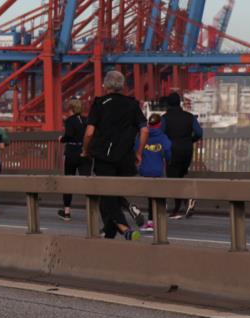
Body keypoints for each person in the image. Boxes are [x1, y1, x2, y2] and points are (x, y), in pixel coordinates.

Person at [82, 70, 148, 241]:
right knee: (112, 191)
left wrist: (85, 150)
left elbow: (89, 133)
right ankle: (110, 231)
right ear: (122, 86)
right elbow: (145, 129)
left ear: (106, 85)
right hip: (125, 158)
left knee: (106, 192)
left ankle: (123, 227)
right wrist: (139, 152)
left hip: (103, 157)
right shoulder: (133, 105)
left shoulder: (99, 104)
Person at [162, 91, 203, 219]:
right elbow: (199, 132)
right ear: (179, 103)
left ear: (168, 104)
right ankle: (185, 204)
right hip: (187, 150)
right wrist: (191, 140)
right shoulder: (190, 117)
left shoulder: (165, 118)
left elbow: (161, 135)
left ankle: (179, 206)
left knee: (173, 180)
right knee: (180, 176)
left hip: (172, 151)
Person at [57, 99, 92, 221]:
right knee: (87, 181)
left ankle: (67, 211)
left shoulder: (69, 121)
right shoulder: (87, 120)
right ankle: (92, 210)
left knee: (68, 181)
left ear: (70, 108)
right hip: (85, 153)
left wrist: (62, 139)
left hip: (72, 153)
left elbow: (70, 135)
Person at [137, 113, 172, 231]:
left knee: (150, 197)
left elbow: (136, 149)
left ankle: (151, 222)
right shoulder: (162, 137)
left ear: (148, 124)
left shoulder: (141, 136)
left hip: (145, 170)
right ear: (160, 124)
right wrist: (168, 159)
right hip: (158, 171)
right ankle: (158, 222)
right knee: (158, 197)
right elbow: (167, 150)